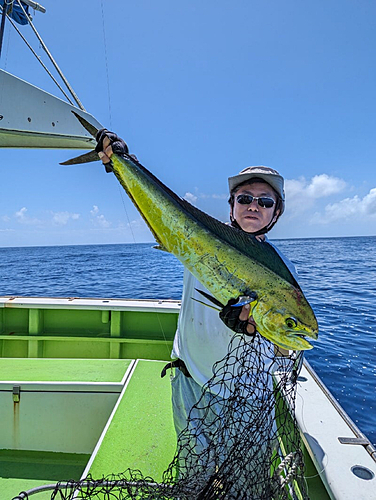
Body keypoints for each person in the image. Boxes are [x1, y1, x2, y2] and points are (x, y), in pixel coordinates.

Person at [96, 131, 299, 496]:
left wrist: (262, 332)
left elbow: (288, 347)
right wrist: (122, 164)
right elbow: (164, 214)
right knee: (194, 475)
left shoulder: (283, 275)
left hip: (248, 396)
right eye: (245, 198)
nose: (254, 206)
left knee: (247, 483)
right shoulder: (202, 238)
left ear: (277, 212)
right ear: (232, 204)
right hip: (192, 378)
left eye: (265, 202)